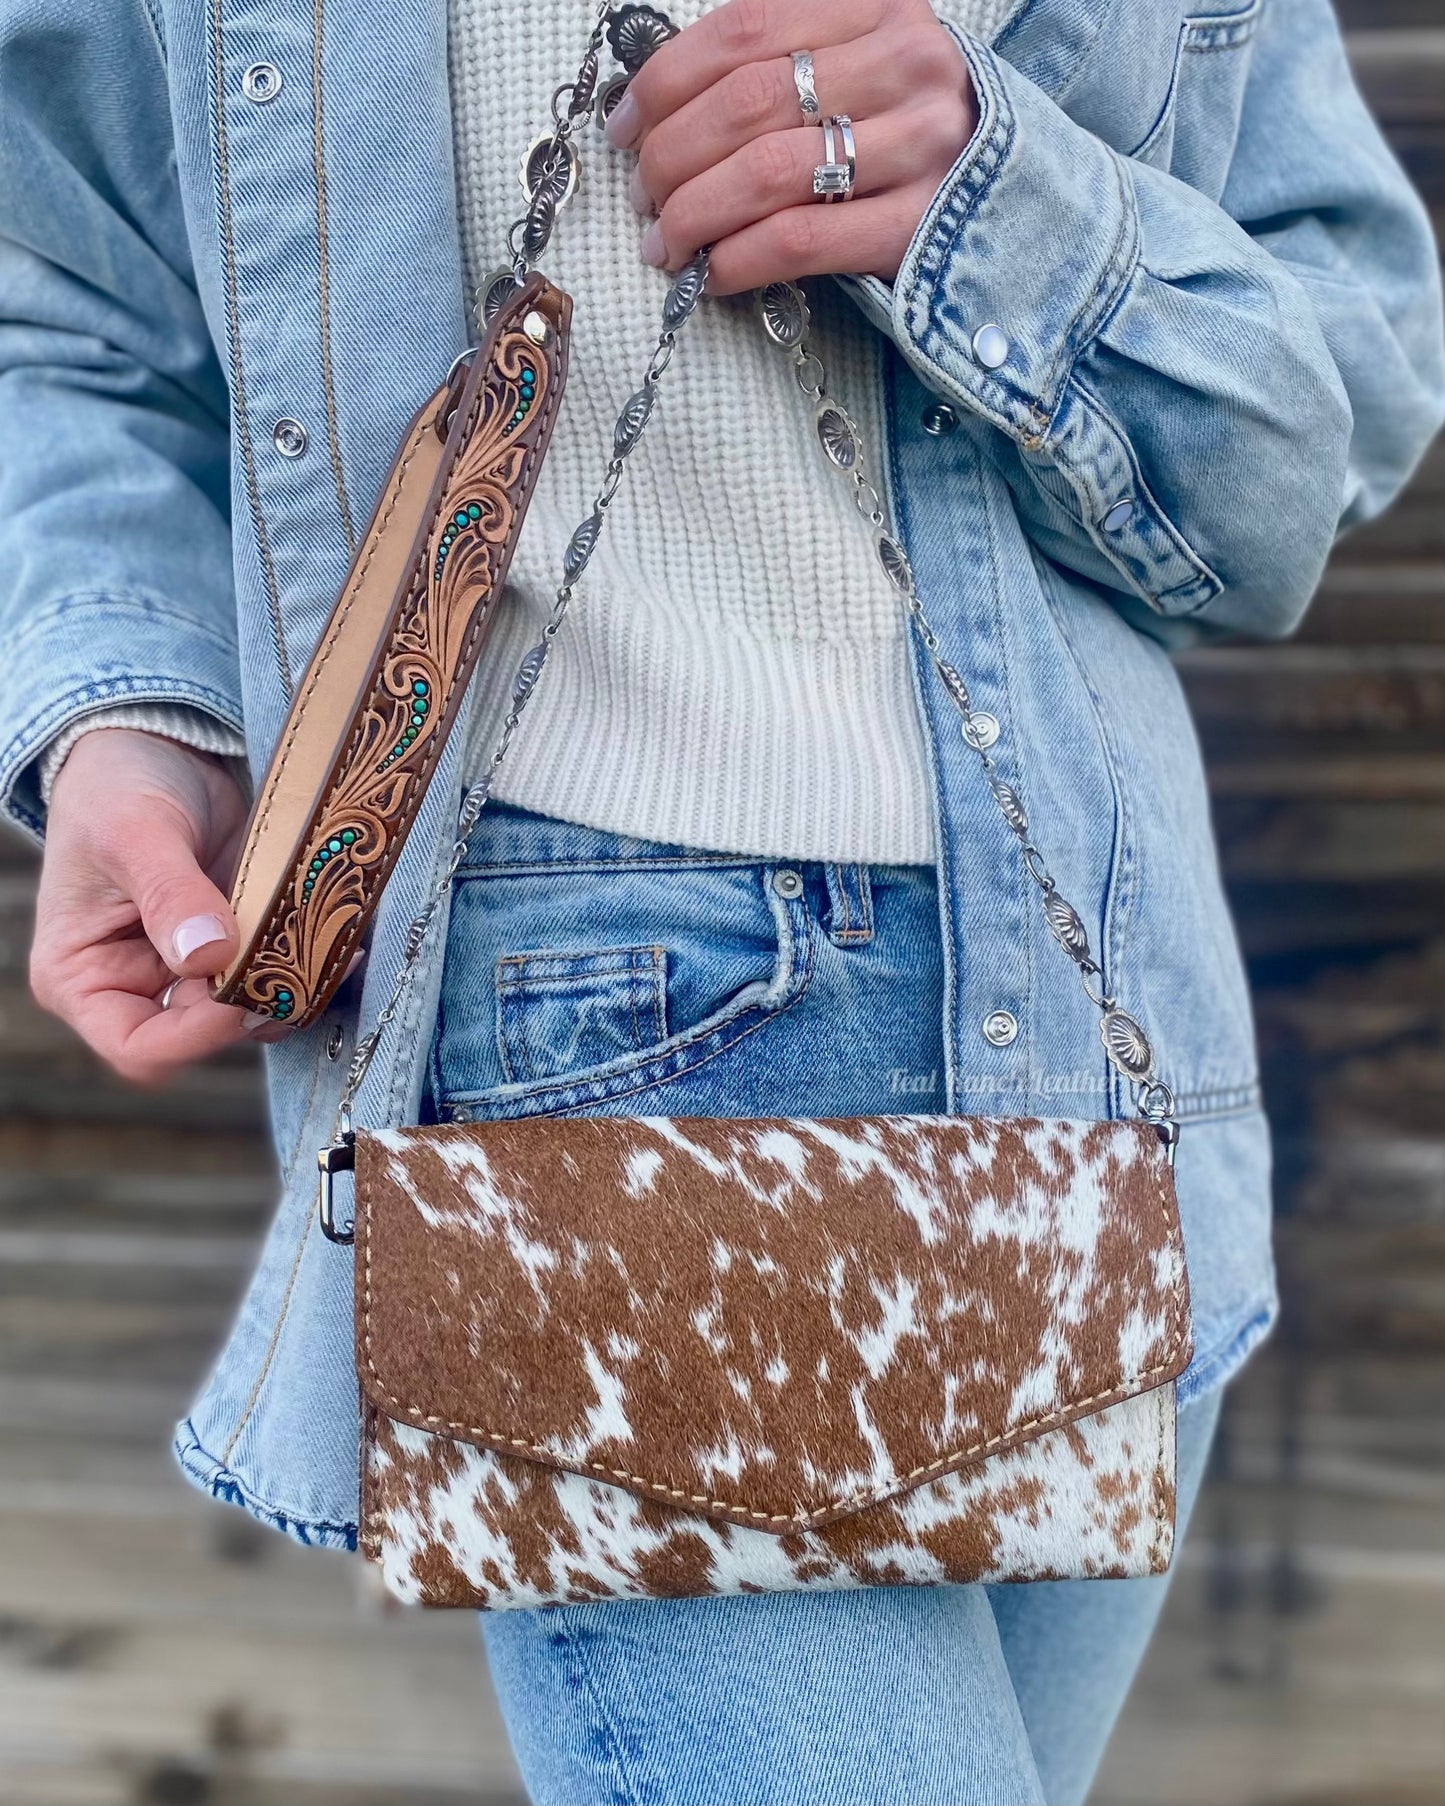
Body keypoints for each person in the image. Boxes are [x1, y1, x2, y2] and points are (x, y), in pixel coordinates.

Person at [2, 0, 1440, 1798]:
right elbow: (66, 308)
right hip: (590, 1026)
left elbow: (1330, 408)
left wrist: (988, 204)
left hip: (1093, 1040)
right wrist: (128, 711)